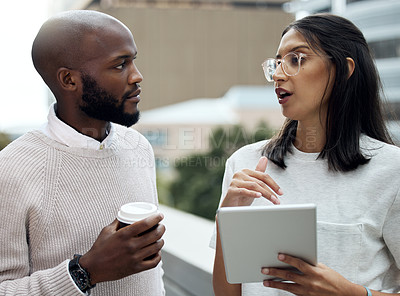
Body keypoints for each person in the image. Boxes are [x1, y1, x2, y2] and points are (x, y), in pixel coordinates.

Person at [211, 13, 400, 296]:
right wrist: (227, 215)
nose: (278, 74)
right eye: (277, 63)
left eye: (297, 59)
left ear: (344, 69)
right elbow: (227, 293)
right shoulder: (245, 163)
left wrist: (351, 293)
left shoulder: (391, 171)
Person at [0, 10, 166, 295]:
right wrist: (85, 271)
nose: (137, 76)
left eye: (133, 61)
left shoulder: (138, 147)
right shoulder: (11, 169)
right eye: (119, 65)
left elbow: (153, 273)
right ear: (68, 80)